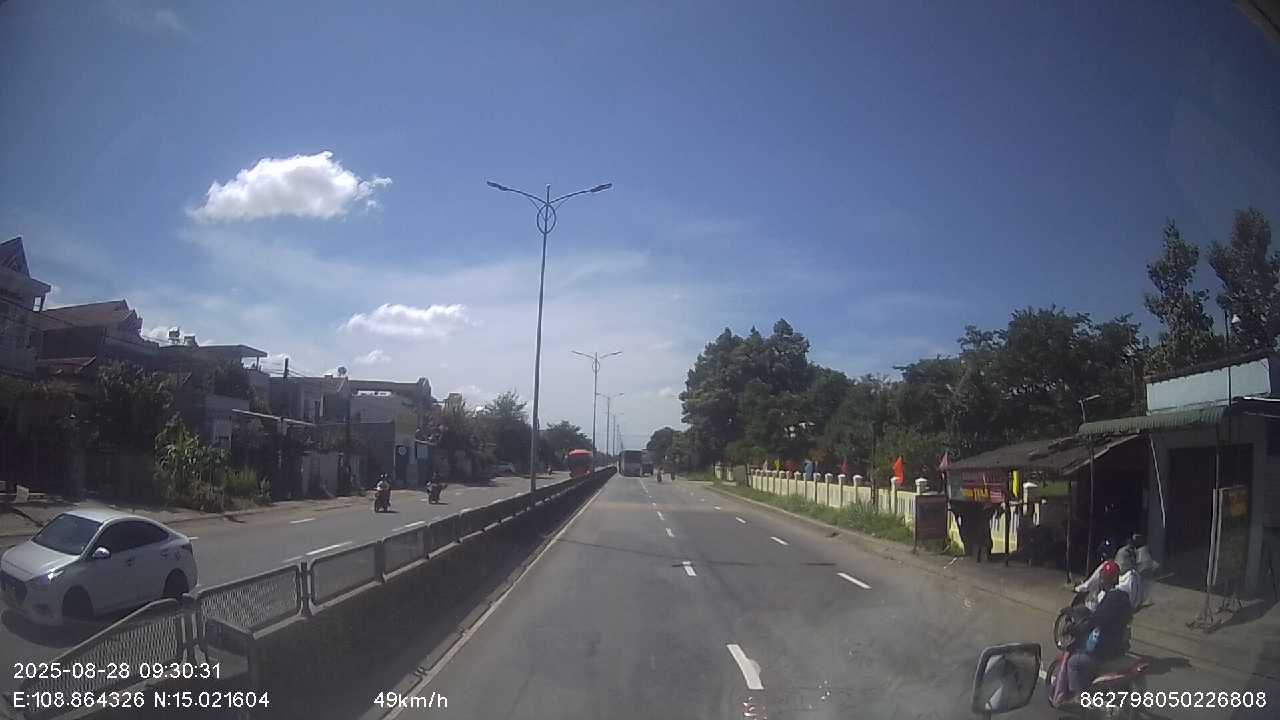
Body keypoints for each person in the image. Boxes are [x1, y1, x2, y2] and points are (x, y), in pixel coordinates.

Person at [1066, 560, 1133, 700]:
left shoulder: (1108, 600)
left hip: (1102, 653)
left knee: (1073, 663)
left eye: (1102, 578)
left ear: (1104, 579)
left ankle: (1080, 698)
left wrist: (1076, 630)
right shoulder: (1124, 597)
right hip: (1118, 650)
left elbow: (1093, 623)